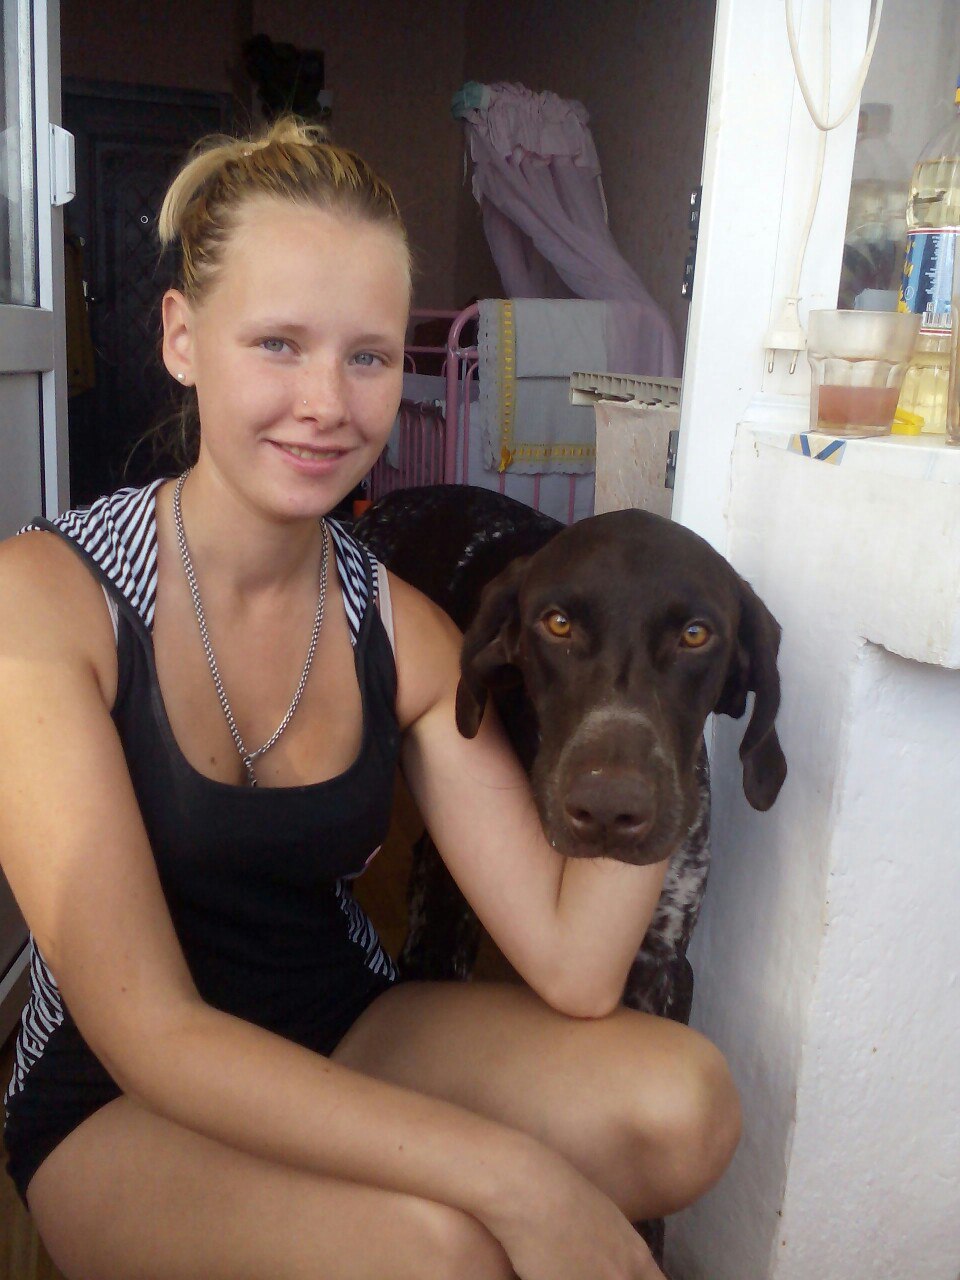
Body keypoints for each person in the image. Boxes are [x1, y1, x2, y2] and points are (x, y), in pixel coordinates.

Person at [0, 117, 740, 1280]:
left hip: (341, 1022)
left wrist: (655, 681)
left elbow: (575, 963)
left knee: (685, 1103)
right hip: (119, 1087)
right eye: (278, 343)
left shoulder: (402, 628)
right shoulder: (47, 599)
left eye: (369, 357)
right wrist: (515, 1175)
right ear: (183, 338)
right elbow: (152, 1030)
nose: (327, 403)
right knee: (443, 1250)